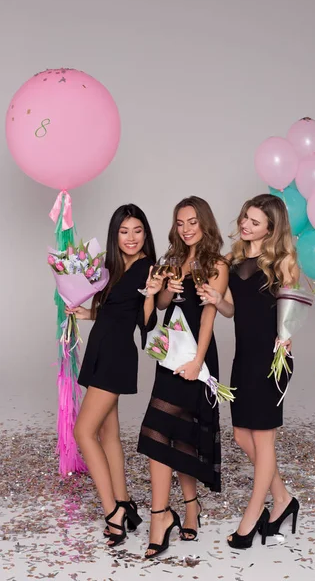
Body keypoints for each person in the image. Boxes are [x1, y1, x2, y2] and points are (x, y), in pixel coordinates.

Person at [199, 194, 300, 549]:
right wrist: (217, 300)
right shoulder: (234, 258)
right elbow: (232, 311)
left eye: (255, 222)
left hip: (272, 359)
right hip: (243, 357)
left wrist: (286, 339)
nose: (246, 225)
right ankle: (284, 499)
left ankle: (253, 517)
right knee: (242, 435)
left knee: (263, 437)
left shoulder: (284, 262)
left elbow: (291, 311)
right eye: (245, 218)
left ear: (272, 228)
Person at [137, 196, 229, 559]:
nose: (187, 229)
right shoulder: (172, 261)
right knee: (163, 433)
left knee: (183, 434)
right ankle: (171, 512)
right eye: (180, 222)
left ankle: (181, 511)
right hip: (169, 351)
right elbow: (160, 308)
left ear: (205, 223)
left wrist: (198, 362)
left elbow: (209, 317)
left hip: (197, 357)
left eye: (193, 221)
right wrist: (165, 290)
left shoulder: (217, 264)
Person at [67, 204, 160, 548]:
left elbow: (146, 323)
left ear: (146, 233)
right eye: (124, 231)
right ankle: (125, 504)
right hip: (101, 350)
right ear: (115, 234)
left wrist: (150, 296)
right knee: (108, 433)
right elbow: (112, 311)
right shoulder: (112, 267)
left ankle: (113, 514)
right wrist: (85, 310)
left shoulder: (148, 268)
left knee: (83, 431)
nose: (131, 237)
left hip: (117, 356)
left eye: (137, 230)